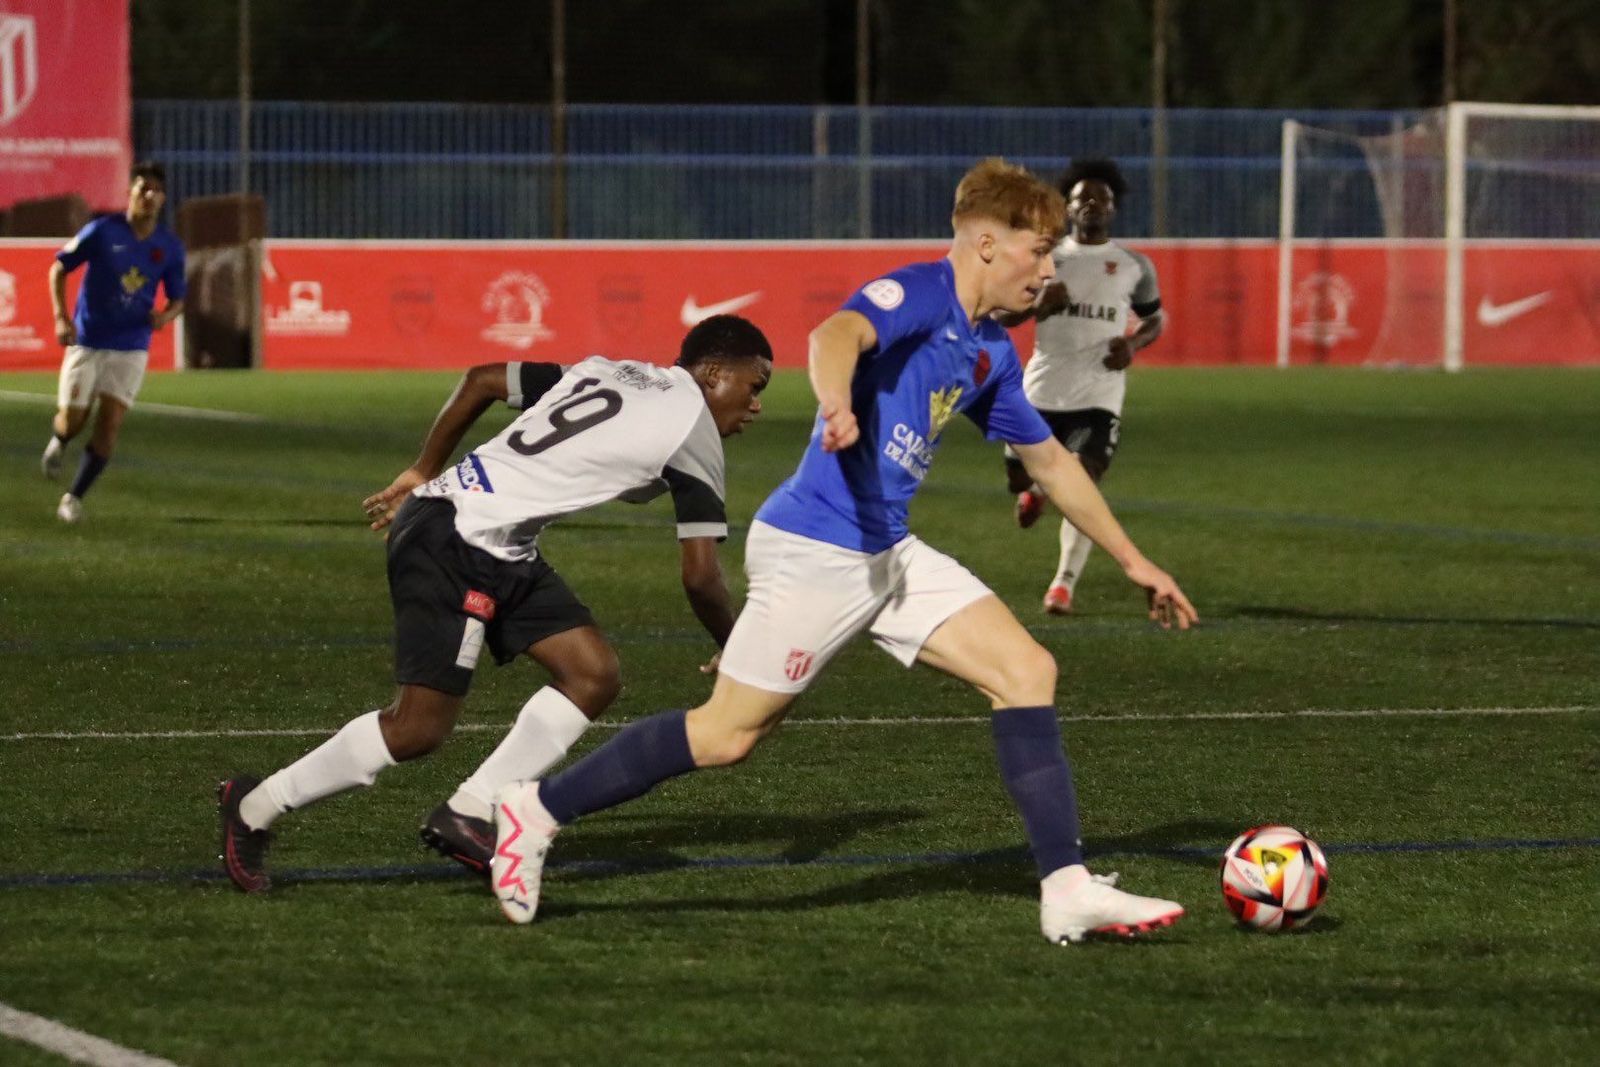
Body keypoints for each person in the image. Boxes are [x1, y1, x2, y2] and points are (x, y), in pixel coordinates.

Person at [489, 159, 1198, 944]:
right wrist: (835, 401)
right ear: (989, 246)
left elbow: (1053, 463)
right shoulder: (922, 293)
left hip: (888, 551)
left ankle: (1064, 887)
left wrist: (1135, 561)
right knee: (727, 735)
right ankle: (535, 809)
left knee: (1027, 670)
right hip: (817, 549)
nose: (1047, 269)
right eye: (1039, 251)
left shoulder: (990, 351)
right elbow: (837, 333)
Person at [217, 315, 773, 893]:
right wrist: (737, 650)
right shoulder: (695, 430)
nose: (755, 405)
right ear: (712, 372)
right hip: (457, 543)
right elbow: (701, 577)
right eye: (754, 386)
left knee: (592, 672)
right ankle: (255, 805)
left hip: (490, 538)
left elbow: (483, 378)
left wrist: (423, 470)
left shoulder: (614, 371)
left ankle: (472, 809)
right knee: (415, 730)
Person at [997, 158, 1165, 614]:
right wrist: (1037, 308)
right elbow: (1000, 315)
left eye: (1101, 199)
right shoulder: (1044, 259)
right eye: (1082, 198)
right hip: (1041, 391)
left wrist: (1132, 345)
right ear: (1068, 207)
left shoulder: (1133, 265)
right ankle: (1035, 490)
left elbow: (1154, 318)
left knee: (1083, 484)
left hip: (1099, 394)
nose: (1092, 204)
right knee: (1018, 478)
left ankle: (1062, 585)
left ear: (1113, 208)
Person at [42, 161, 187, 523]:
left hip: (132, 344)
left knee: (110, 424)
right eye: (142, 188)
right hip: (88, 340)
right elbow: (59, 267)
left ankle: (73, 498)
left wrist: (164, 317)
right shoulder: (103, 231)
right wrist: (61, 316)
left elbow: (178, 299)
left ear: (163, 198)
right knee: (74, 420)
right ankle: (60, 440)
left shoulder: (168, 247)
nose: (148, 195)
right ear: (130, 192)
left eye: (155, 190)